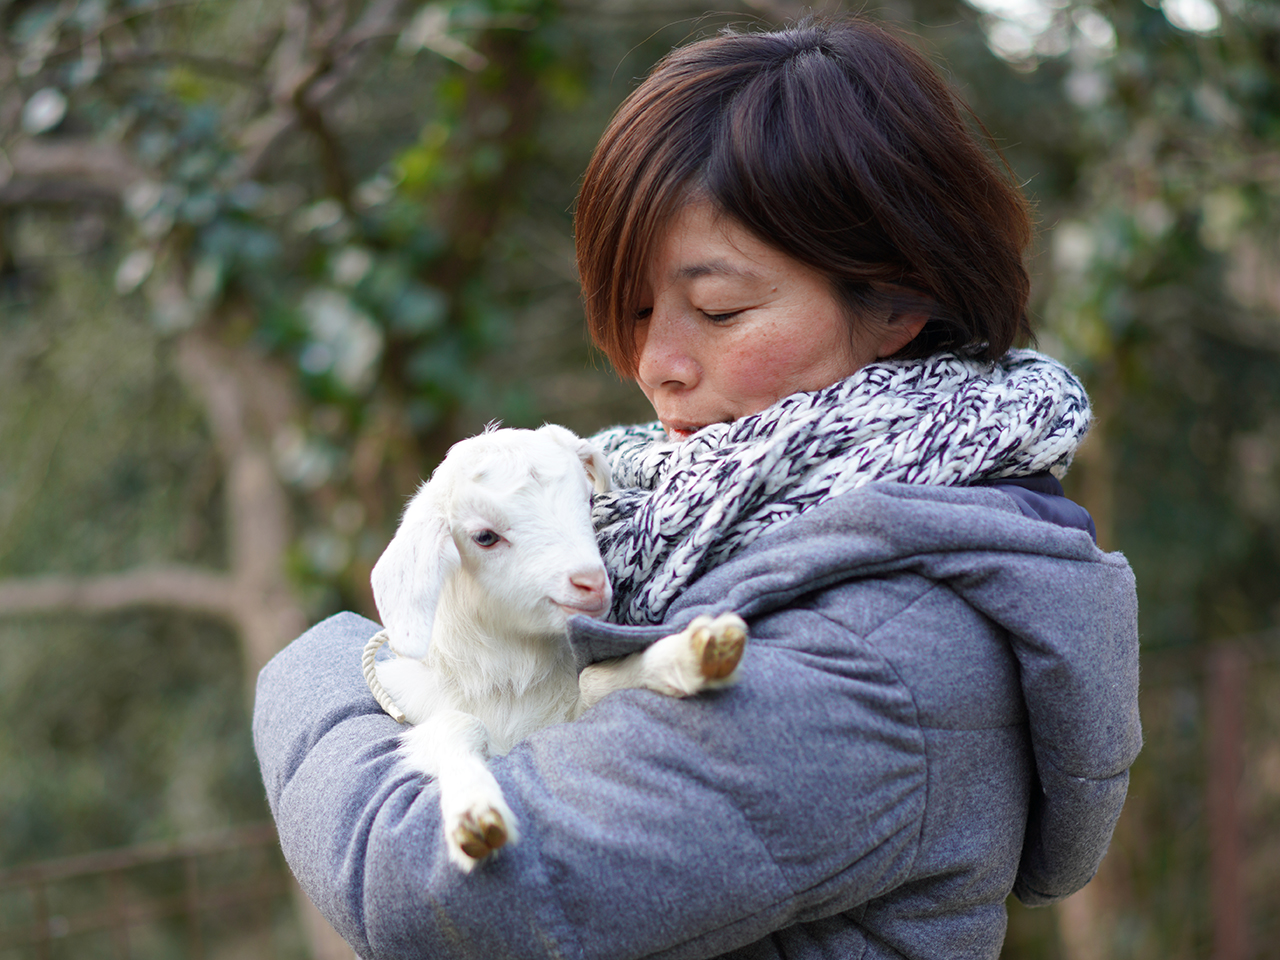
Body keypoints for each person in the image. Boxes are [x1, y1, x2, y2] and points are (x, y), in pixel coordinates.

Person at [253, 15, 1141, 960]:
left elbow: (441, 897)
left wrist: (328, 668)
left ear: (898, 303)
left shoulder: (877, 652)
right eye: (635, 308)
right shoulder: (666, 516)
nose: (655, 363)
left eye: (719, 309)